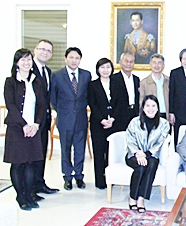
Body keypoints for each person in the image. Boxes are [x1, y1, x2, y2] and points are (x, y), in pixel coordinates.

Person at [4, 49, 46, 211]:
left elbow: (42, 105)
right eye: (23, 60)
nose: (26, 63)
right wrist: (24, 125)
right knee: (18, 164)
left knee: (30, 163)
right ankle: (20, 196)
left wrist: (36, 124)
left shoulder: (36, 81)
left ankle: (29, 194)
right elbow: (11, 106)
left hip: (33, 129)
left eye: (28, 59)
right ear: (17, 63)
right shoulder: (10, 82)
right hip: (17, 129)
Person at [50, 47, 91, 190]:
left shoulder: (86, 75)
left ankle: (79, 176)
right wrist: (63, 111)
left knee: (80, 149)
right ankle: (67, 177)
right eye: (71, 57)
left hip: (81, 118)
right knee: (65, 149)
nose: (74, 60)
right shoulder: (57, 75)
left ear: (80, 60)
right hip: (64, 119)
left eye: (77, 58)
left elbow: (88, 96)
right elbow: (53, 98)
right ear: (65, 58)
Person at [125, 95, 170, 213]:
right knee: (140, 167)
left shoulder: (164, 123)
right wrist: (138, 153)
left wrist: (147, 154)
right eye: (148, 106)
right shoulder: (134, 122)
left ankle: (141, 198)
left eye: (153, 106)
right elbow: (130, 140)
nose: (151, 109)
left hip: (152, 155)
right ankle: (132, 197)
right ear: (143, 108)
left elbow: (161, 142)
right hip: (133, 155)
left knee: (152, 164)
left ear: (158, 108)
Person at [88, 58, 124, 189]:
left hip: (114, 123)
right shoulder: (92, 85)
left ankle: (111, 179)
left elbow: (121, 103)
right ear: (98, 69)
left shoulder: (117, 83)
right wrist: (102, 119)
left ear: (112, 69)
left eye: (108, 67)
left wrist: (113, 118)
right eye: (102, 68)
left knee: (112, 151)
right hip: (98, 124)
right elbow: (92, 104)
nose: (105, 70)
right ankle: (100, 181)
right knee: (99, 151)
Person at [31, 40, 59, 199]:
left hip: (44, 120)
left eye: (48, 51)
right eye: (42, 49)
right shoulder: (28, 68)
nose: (45, 53)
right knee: (31, 155)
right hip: (31, 121)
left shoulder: (47, 71)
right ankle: (29, 188)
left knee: (41, 152)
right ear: (35, 50)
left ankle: (39, 183)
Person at [111, 52, 140, 130]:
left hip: (134, 114)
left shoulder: (136, 79)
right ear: (120, 63)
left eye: (131, 62)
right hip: (119, 115)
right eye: (126, 61)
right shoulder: (113, 79)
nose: (129, 64)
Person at [139, 54, 169, 120]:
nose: (156, 65)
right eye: (154, 63)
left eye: (159, 63)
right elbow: (141, 102)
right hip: (151, 115)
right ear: (150, 64)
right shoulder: (144, 82)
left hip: (166, 115)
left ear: (163, 65)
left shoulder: (169, 81)